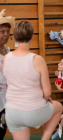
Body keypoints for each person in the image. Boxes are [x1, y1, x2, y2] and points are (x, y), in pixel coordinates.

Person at [2, 20, 63, 140]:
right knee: (59, 107)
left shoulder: (6, 58)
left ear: (14, 37)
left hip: (12, 113)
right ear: (32, 36)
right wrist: (45, 99)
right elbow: (47, 93)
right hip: (33, 111)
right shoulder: (37, 59)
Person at [0, 9, 15, 140]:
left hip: (6, 96)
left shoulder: (8, 50)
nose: (5, 34)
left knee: (3, 127)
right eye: (2, 32)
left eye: (7, 31)